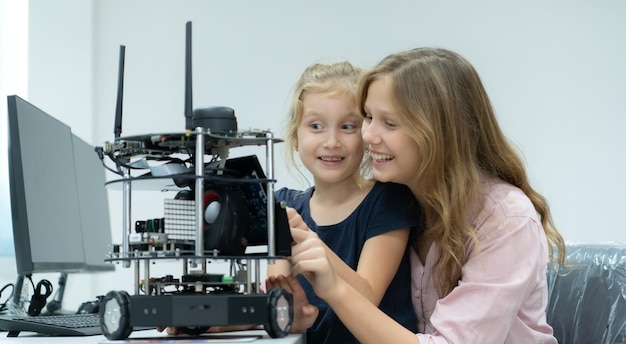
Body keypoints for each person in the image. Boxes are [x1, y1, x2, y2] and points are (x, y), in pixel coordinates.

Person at [281, 48, 567, 343]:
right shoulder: (406, 201)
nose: (367, 136)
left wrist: (335, 288)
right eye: (368, 117)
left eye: (389, 123)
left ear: (439, 133)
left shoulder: (506, 220)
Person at [266, 61, 423, 343]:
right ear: (295, 138)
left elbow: (366, 295)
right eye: (316, 126)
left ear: (365, 137)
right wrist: (207, 325)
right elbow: (274, 305)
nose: (332, 141)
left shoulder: (389, 200)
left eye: (348, 126)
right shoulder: (284, 206)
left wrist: (308, 240)